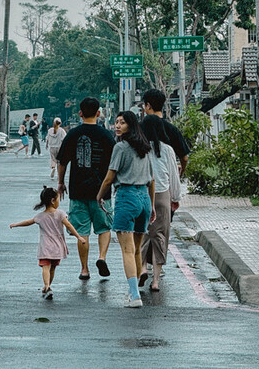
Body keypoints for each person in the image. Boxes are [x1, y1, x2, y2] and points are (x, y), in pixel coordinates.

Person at [96, 111, 155, 308]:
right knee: (137, 249)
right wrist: (152, 205)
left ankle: (135, 295)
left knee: (127, 250)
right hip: (144, 198)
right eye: (116, 122)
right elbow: (151, 180)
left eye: (122, 122)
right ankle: (134, 291)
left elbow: (109, 176)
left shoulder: (120, 148)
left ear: (131, 125)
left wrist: (100, 195)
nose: (117, 126)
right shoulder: (146, 148)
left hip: (127, 197)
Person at [56, 97, 116, 281]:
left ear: (80, 113)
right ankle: (102, 257)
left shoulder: (72, 134)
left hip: (78, 189)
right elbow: (115, 163)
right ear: (98, 113)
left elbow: (62, 162)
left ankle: (84, 269)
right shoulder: (107, 135)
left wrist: (61, 183)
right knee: (104, 227)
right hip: (102, 191)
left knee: (82, 231)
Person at [10, 186, 87, 300]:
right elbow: (69, 226)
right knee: (52, 268)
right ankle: (47, 287)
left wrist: (16, 224)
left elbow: (28, 222)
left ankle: (47, 286)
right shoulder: (60, 214)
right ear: (52, 201)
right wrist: (79, 237)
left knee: (45, 267)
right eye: (58, 200)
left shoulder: (40, 216)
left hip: (45, 247)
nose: (58, 202)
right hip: (57, 247)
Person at [138, 114, 181, 291]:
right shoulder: (168, 150)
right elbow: (174, 177)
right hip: (162, 195)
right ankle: (156, 281)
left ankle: (142, 268)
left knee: (142, 235)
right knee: (160, 237)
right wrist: (176, 198)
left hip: (141, 194)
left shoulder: (138, 149)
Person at [140, 89, 191, 175]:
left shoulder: (139, 128)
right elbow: (184, 158)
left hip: (142, 177)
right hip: (166, 178)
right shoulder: (172, 129)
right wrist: (181, 172)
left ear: (148, 106)